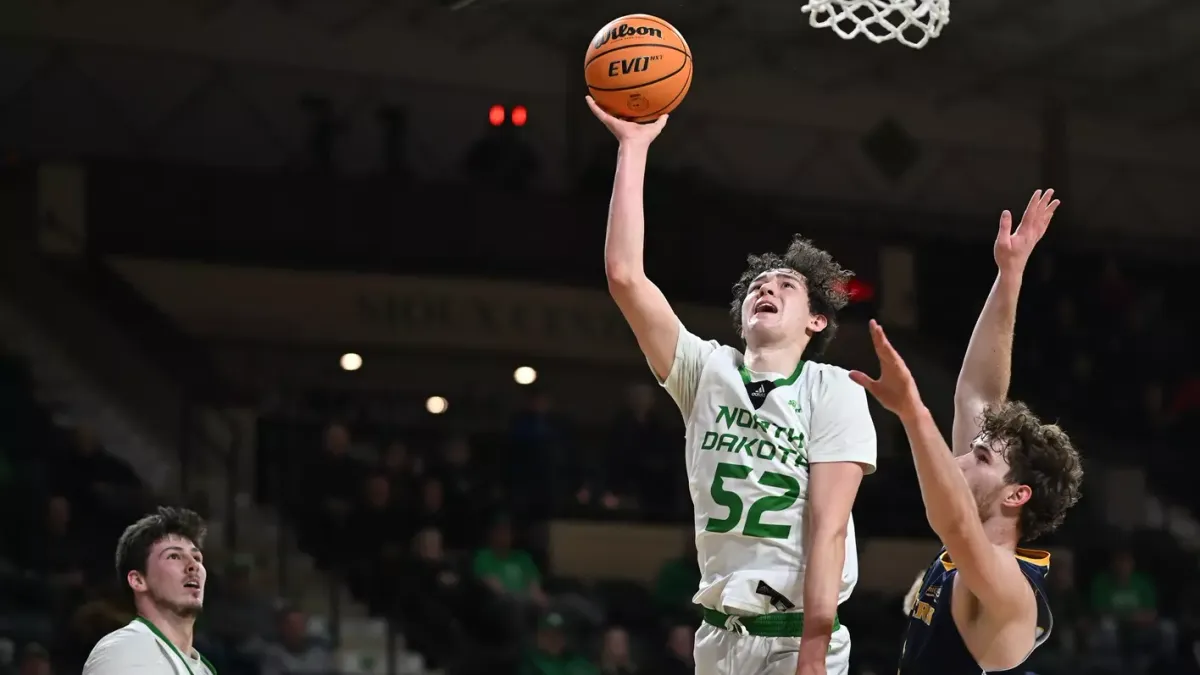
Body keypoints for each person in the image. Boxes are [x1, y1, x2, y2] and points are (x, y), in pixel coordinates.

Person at [587, 96, 877, 675]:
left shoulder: (834, 389)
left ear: (817, 320)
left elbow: (830, 527)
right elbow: (624, 276)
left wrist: (814, 654)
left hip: (797, 636)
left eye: (785, 285)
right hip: (718, 638)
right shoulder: (706, 371)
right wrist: (633, 148)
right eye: (757, 285)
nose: (765, 288)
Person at [847, 190, 1085, 674]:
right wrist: (1010, 275)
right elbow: (977, 393)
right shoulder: (969, 552)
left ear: (1016, 495)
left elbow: (951, 521)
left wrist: (912, 412)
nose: (960, 458)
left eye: (979, 457)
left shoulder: (1009, 588)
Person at [82, 506, 215, 675]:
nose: (193, 566)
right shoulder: (123, 651)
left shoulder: (204, 670)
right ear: (138, 580)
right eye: (174, 556)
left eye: (197, 558)